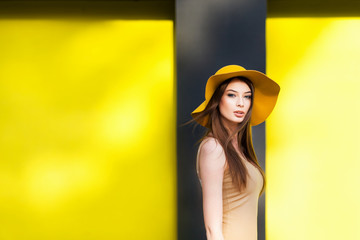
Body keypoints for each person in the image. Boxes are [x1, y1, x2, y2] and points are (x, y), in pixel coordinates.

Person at [191, 65, 280, 240]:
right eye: (232, 95)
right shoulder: (214, 148)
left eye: (247, 97)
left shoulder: (240, 151)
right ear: (218, 100)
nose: (241, 103)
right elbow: (212, 230)